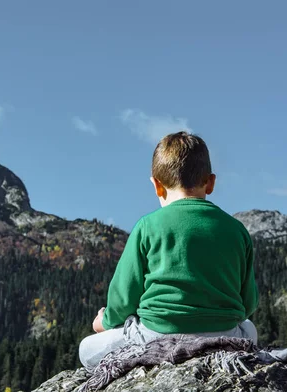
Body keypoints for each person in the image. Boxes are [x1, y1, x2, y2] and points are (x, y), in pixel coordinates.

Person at [78, 131, 259, 372]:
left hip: (155, 336)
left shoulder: (147, 225)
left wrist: (105, 321)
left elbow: (123, 298)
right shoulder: (236, 230)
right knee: (250, 328)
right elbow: (249, 302)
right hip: (223, 337)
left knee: (86, 349)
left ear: (156, 186)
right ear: (211, 182)